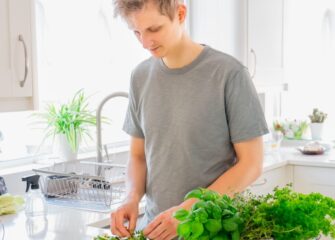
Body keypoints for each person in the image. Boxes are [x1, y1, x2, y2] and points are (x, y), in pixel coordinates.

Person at [110, 0, 269, 239]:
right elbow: (138, 155)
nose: (145, 42)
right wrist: (131, 198)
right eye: (137, 32)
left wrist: (190, 210)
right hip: (154, 230)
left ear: (181, 14)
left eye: (154, 29)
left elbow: (251, 164)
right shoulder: (140, 76)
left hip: (212, 231)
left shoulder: (228, 73)